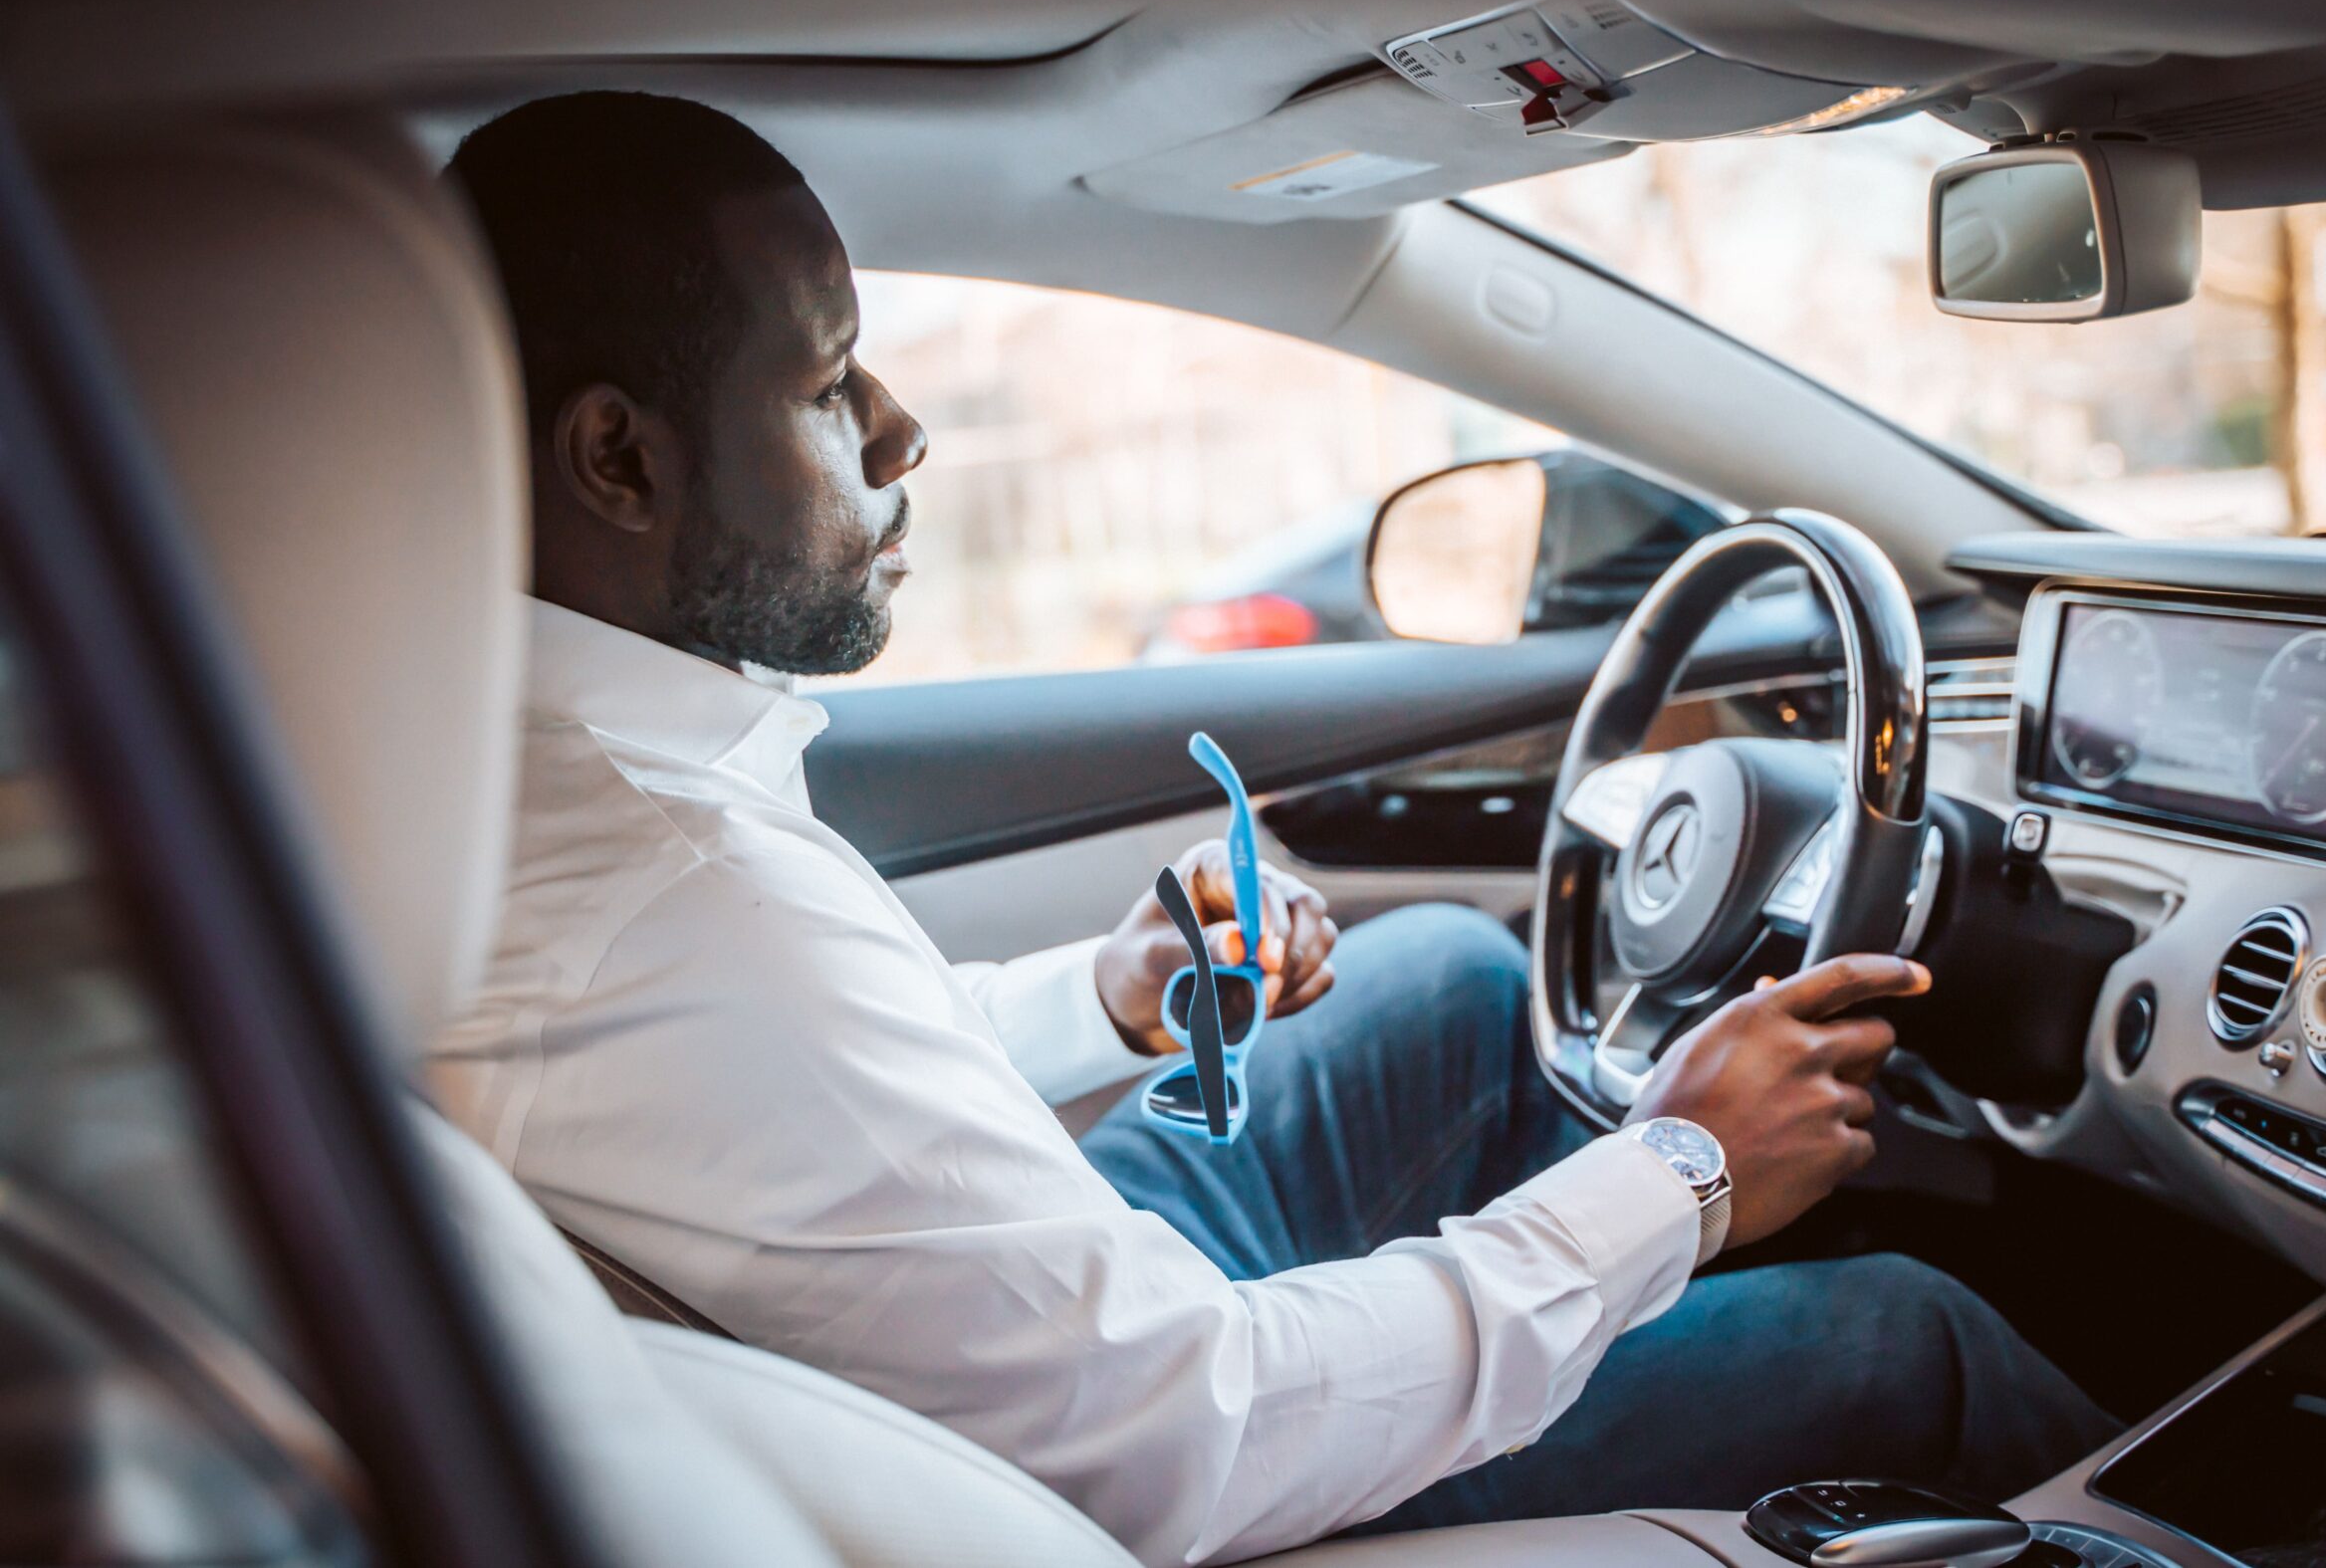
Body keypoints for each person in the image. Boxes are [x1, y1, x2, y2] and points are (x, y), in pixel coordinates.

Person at [428, 91, 2113, 1568]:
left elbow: (787, 1111)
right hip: (1127, 1481)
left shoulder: (507, 783)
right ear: (616, 462)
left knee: (1453, 978)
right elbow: (1191, 1435)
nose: (898, 429)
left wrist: (1104, 994)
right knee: (1904, 1341)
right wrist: (1675, 1178)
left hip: (993, 1353)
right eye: (822, 383)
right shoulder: (667, 893)